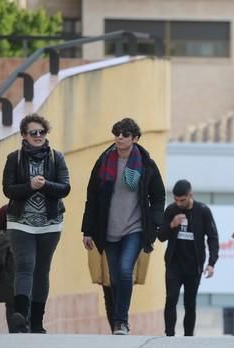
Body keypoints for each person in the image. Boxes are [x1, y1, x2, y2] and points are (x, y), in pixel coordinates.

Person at [81, 117, 165, 336]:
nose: (119, 137)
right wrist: (87, 230)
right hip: (107, 230)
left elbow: (158, 196)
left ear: (135, 139)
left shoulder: (145, 164)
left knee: (125, 270)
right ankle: (118, 320)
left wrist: (155, 225)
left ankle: (121, 322)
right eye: (117, 133)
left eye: (125, 134)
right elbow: (91, 197)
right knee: (115, 277)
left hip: (134, 229)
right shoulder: (104, 161)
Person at [2, 113, 70, 333]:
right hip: (20, 223)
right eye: (34, 133)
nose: (38, 136)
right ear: (24, 135)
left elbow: (65, 188)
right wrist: (30, 186)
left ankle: (38, 323)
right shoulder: (15, 158)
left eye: (42, 132)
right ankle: (21, 318)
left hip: (50, 224)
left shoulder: (56, 157)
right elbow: (8, 190)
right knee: (24, 266)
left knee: (42, 271)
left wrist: (45, 185)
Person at [158, 179, 219, 336]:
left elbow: (213, 237)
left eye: (182, 200)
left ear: (190, 195)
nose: (179, 203)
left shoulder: (203, 211)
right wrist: (172, 225)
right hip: (174, 264)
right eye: (176, 200)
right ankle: (169, 334)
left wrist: (212, 263)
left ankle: (188, 337)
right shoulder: (171, 210)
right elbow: (161, 236)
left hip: (194, 266)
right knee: (171, 298)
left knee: (189, 304)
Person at [87, 248, 151, 332]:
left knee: (124, 275)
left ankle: (121, 323)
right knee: (109, 289)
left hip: (128, 239)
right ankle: (116, 327)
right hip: (107, 242)